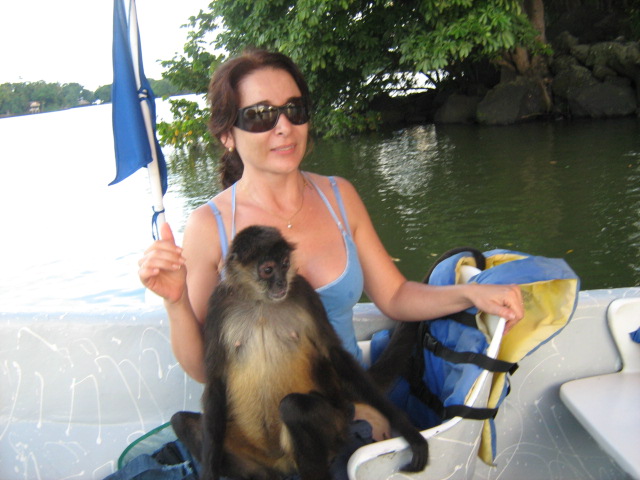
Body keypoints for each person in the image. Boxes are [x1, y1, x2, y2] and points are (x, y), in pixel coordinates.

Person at [138, 49, 524, 446]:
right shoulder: (210, 225)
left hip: (349, 398)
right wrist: (175, 301)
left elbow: (394, 295)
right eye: (260, 115)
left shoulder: (339, 196)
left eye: (294, 109)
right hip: (274, 429)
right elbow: (206, 368)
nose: (284, 127)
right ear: (227, 134)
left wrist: (470, 294)